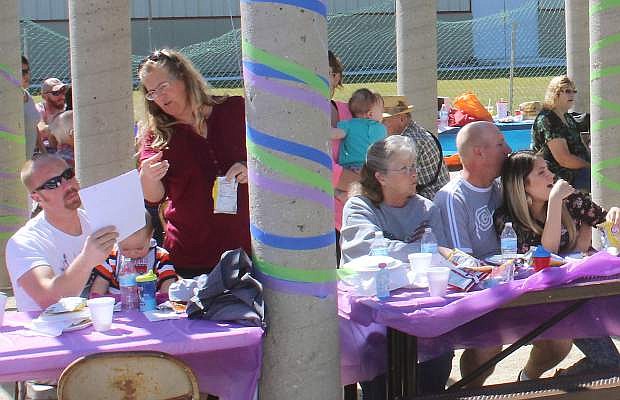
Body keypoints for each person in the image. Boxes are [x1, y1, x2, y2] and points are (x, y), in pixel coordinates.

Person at [340, 135, 453, 396]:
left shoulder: (426, 208)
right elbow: (368, 252)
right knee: (379, 374)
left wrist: (411, 252)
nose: (415, 174)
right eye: (405, 168)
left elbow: (441, 257)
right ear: (381, 177)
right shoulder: (359, 207)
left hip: (418, 311)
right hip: (370, 318)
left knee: (438, 361)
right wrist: (420, 252)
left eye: (414, 166)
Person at [494, 150, 620, 378]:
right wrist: (554, 203)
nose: (551, 176)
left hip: (579, 298)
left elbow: (604, 221)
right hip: (540, 302)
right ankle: (538, 383)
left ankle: (546, 383)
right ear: (522, 185)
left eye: (549, 169)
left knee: (610, 364)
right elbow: (544, 256)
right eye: (542, 172)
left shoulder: (571, 201)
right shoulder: (508, 221)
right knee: (611, 365)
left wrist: (614, 214)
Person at [137, 49, 250, 278]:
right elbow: (153, 196)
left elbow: (273, 161)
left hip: (248, 249)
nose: (159, 97)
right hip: (191, 257)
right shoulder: (156, 136)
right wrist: (147, 177)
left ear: (184, 78)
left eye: (163, 87)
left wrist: (251, 169)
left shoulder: (236, 109)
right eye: (151, 93)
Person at [5, 154, 118, 312]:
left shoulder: (95, 222)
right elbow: (49, 300)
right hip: (49, 333)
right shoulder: (24, 242)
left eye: (67, 175)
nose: (67, 185)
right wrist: (86, 260)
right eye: (53, 183)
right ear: (37, 197)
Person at [91, 212, 178, 296]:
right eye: (125, 249)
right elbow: (101, 282)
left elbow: (168, 281)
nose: (132, 253)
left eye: (139, 248)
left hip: (150, 304)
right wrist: (96, 299)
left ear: (150, 236)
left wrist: (165, 299)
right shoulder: (111, 256)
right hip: (118, 305)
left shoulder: (160, 256)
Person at [382, 96, 449, 200]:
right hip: (434, 194)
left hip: (430, 199)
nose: (380, 124)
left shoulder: (408, 142)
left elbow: (403, 184)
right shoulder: (415, 132)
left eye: (384, 120)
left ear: (402, 119)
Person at [532, 75, 590, 191]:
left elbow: (580, 144)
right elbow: (563, 159)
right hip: (560, 176)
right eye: (567, 91)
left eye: (574, 91)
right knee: (609, 179)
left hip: (578, 170)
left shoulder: (567, 117)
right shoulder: (548, 119)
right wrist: (591, 166)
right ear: (555, 93)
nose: (572, 95)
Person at [328, 50, 357, 264]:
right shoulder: (297, 118)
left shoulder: (350, 111)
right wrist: (360, 182)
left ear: (336, 76)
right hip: (317, 217)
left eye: (326, 73)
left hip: (352, 212)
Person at [336, 88, 387, 170]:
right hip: (371, 167)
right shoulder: (381, 128)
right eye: (381, 111)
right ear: (370, 114)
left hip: (352, 167)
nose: (383, 114)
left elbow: (338, 133)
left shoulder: (349, 124)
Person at [37, 77, 67, 152]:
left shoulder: (67, 109)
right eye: (56, 93)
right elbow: (41, 130)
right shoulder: (40, 108)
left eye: (63, 91)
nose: (62, 96)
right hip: (42, 150)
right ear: (44, 96)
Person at [21, 55, 41, 158]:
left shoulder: (28, 96)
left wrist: (44, 152)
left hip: (26, 161)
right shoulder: (6, 101)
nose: (27, 75)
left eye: (27, 71)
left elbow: (33, 125)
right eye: (22, 72)